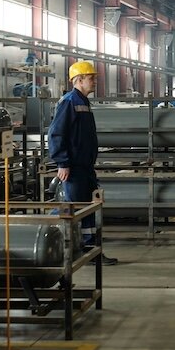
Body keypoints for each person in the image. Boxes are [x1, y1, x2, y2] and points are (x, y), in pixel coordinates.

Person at [48, 61, 118, 266]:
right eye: (91, 78)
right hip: (74, 168)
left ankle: (89, 249)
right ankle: (55, 241)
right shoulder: (69, 102)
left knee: (87, 208)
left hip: (85, 168)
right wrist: (62, 162)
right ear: (78, 80)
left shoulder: (83, 102)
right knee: (73, 208)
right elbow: (56, 133)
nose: (94, 81)